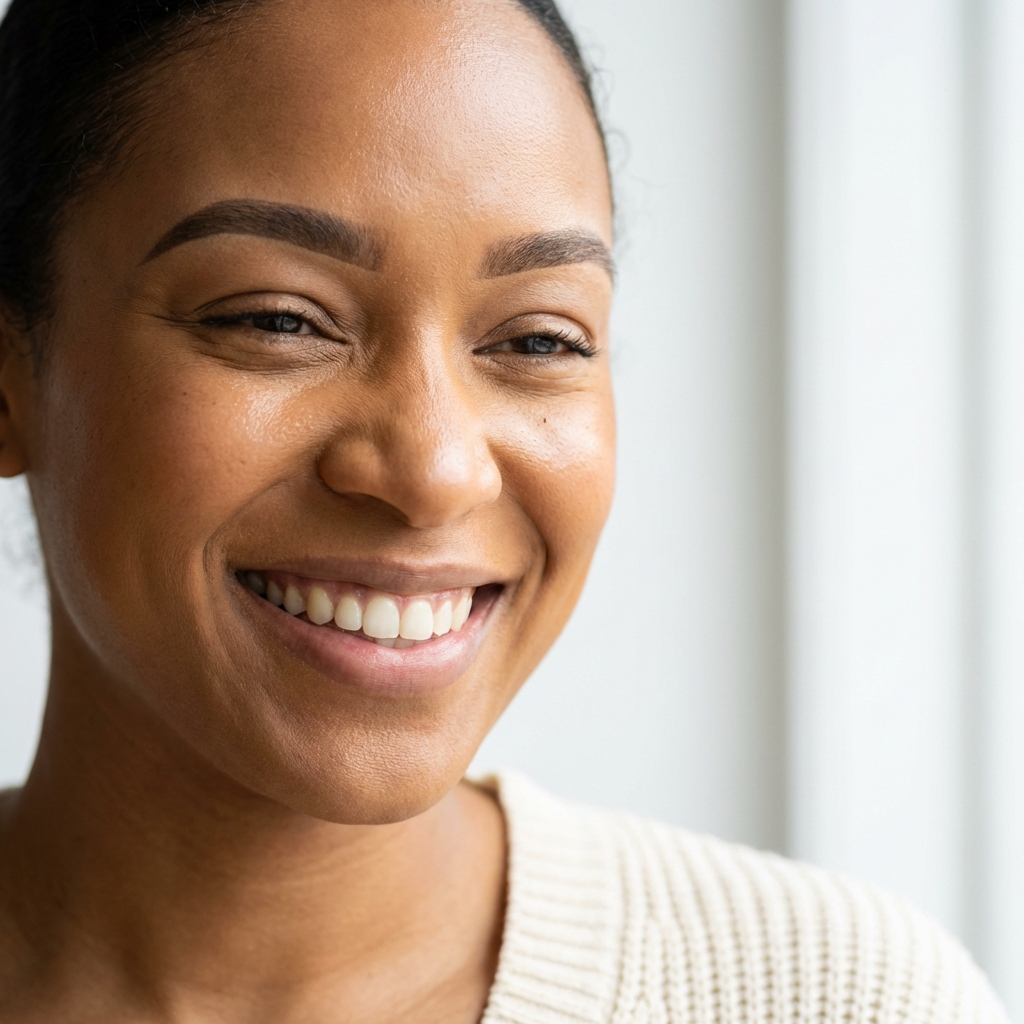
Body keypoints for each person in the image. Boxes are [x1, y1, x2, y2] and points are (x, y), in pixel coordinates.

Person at [0, 0, 1008, 1020]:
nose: (435, 470)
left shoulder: (840, 999)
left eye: (536, 339)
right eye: (277, 319)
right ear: (9, 378)